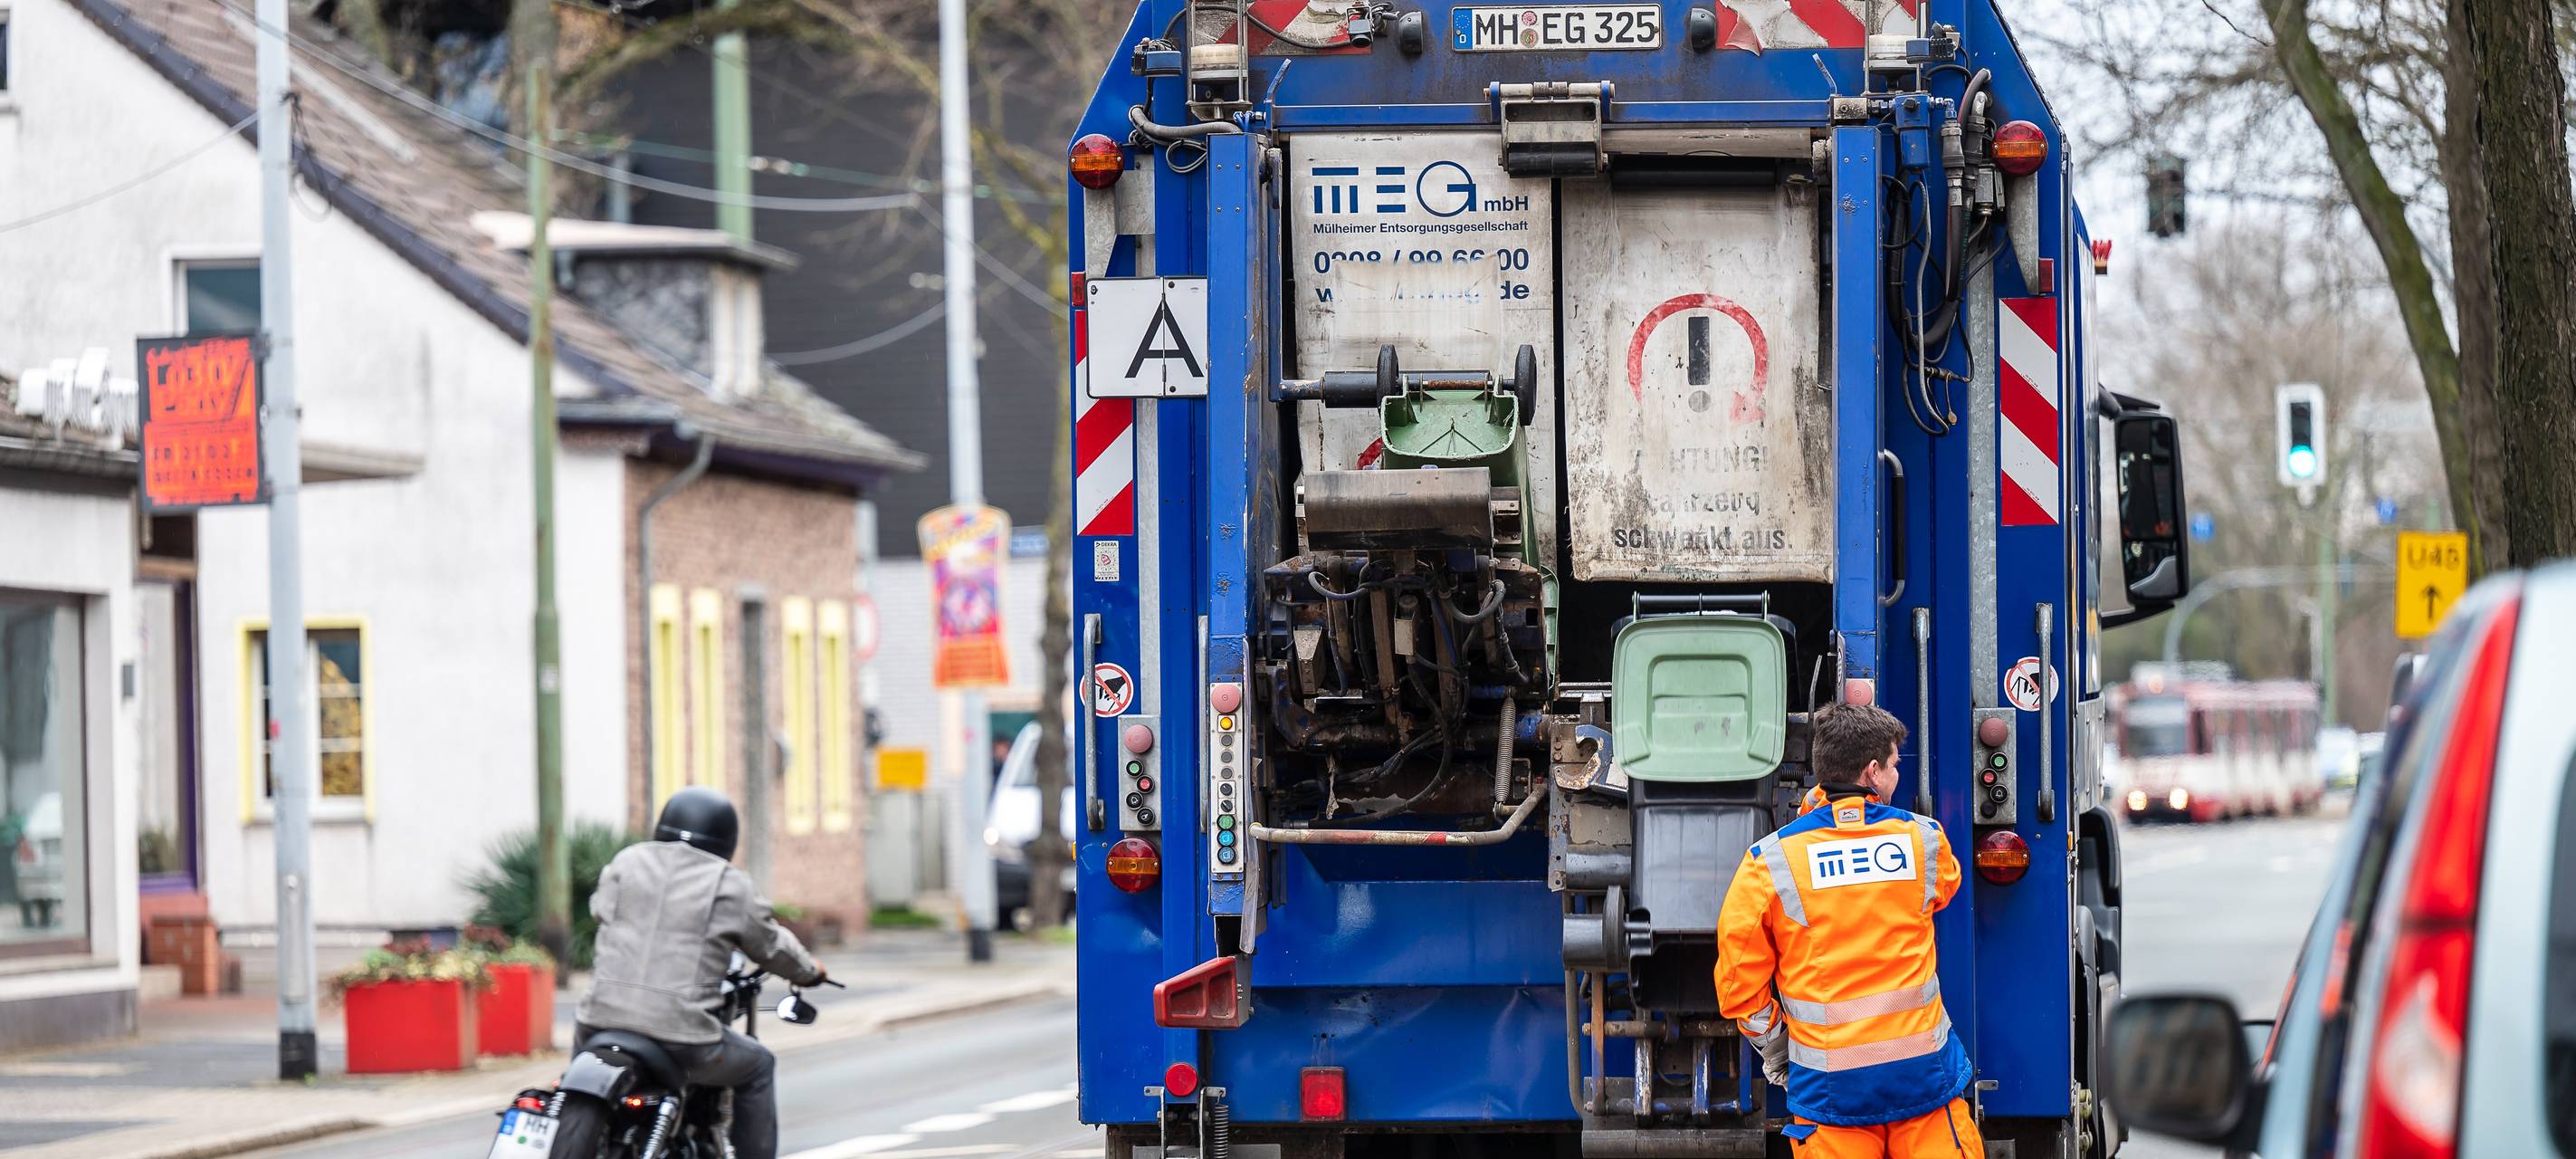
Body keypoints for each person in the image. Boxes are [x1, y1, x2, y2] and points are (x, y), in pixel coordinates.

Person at [1715, 702, 1978, 1157]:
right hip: (1924, 1085)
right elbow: (1945, 886)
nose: (1897, 777)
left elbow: (1738, 986)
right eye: (1895, 766)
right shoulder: (1923, 841)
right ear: (1872, 773)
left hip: (1830, 1093)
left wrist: (1781, 1051)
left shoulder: (1771, 863)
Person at [578, 787, 826, 1159]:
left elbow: (600, 909)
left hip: (596, 1022)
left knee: (575, 1076)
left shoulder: (628, 862)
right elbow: (771, 945)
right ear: (726, 837)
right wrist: (810, 972)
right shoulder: (728, 883)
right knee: (759, 1065)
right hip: (680, 1037)